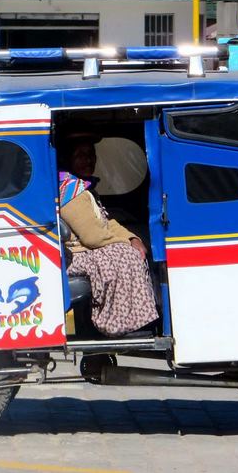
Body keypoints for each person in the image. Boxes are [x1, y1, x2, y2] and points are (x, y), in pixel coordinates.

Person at [57, 135, 158, 337]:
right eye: (81, 155)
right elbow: (93, 237)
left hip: (87, 249)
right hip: (76, 256)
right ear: (69, 159)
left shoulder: (85, 188)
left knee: (130, 249)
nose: (88, 160)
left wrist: (132, 239)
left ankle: (136, 318)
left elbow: (108, 221)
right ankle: (118, 324)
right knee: (125, 256)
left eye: (91, 155)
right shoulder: (71, 192)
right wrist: (126, 245)